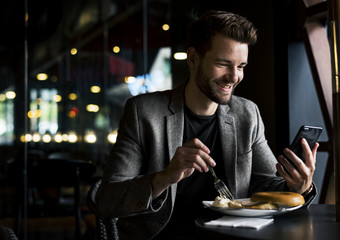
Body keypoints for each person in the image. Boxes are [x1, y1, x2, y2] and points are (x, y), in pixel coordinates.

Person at [96, 10, 319, 240]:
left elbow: (267, 184)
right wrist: (165, 177)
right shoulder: (143, 113)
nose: (234, 77)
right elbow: (107, 200)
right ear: (193, 58)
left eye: (241, 66)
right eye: (223, 64)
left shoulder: (247, 114)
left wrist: (299, 187)